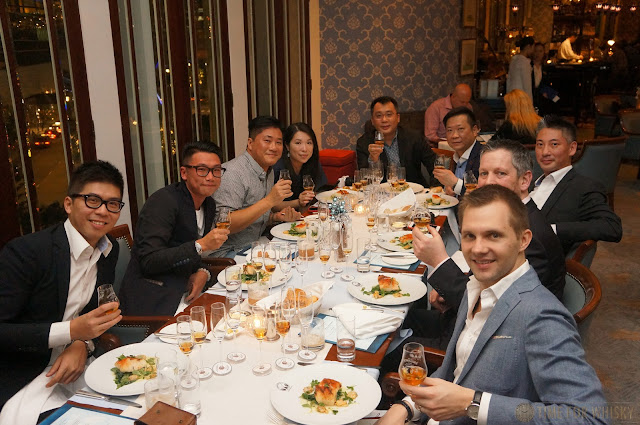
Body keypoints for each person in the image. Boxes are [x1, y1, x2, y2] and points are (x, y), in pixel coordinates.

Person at [377, 185, 608, 425]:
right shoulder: (476, 287)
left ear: (523, 240)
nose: (478, 249)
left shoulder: (541, 316)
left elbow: (589, 417)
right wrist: (407, 406)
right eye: (470, 236)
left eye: (494, 235)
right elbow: (457, 372)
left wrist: (472, 404)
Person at [383, 139, 565, 360]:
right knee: (392, 318)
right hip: (459, 320)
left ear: (525, 180)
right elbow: (488, 285)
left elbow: (499, 311)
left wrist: (440, 263)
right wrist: (450, 294)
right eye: (483, 174)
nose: (488, 182)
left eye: (500, 173)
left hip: (483, 346)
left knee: (380, 350)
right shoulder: (510, 218)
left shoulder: (529, 237)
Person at [0, 161, 124, 424]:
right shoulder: (27, 253)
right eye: (92, 200)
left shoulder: (109, 249)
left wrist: (81, 344)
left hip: (78, 367)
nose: (103, 211)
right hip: (26, 373)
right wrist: (71, 332)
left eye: (113, 204)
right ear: (69, 204)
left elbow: (92, 314)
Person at [119, 142, 230, 316]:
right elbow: (149, 261)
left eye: (216, 170)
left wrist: (203, 272)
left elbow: (185, 248)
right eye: (202, 170)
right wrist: (200, 246)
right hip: (154, 296)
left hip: (185, 289)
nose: (210, 177)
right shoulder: (163, 202)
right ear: (184, 173)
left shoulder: (208, 204)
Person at [211, 116, 301, 258]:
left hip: (255, 244)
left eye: (278, 142)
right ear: (250, 143)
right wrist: (270, 201)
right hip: (227, 253)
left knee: (303, 250)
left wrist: (275, 217)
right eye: (267, 141)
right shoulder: (233, 173)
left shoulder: (268, 170)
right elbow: (225, 224)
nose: (273, 147)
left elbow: (253, 214)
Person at [531, 116, 622, 255]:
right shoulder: (530, 183)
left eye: (554, 144)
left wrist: (552, 229)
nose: (545, 152)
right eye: (540, 145)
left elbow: (612, 227)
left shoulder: (584, 187)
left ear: (572, 148)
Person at [356, 96, 435, 186]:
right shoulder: (364, 143)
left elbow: (435, 166)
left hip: (414, 190)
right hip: (383, 192)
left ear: (398, 118)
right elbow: (365, 180)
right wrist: (374, 160)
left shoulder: (414, 137)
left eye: (389, 115)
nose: (384, 120)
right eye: (379, 116)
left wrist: (435, 189)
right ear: (372, 121)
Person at [272, 122, 328, 210]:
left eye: (309, 143)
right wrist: (298, 202)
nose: (304, 149)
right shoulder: (277, 168)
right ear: (287, 146)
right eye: (298, 143)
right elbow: (272, 206)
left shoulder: (313, 163)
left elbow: (320, 191)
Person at [432, 107, 481, 196]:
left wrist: (455, 184)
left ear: (474, 130)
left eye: (460, 129)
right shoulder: (456, 156)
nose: (454, 135)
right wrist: (450, 188)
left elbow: (482, 195)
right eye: (450, 130)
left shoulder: (483, 156)